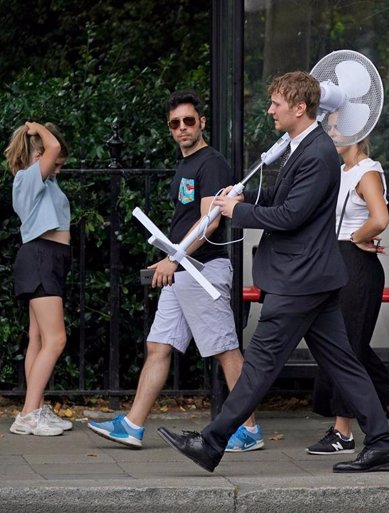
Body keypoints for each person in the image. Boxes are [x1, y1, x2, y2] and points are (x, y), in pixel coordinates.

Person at [156, 71, 389, 473]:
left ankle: (211, 441)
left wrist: (239, 212)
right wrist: (245, 194)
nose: (270, 110)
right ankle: (382, 441)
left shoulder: (318, 152)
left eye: (276, 104)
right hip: (311, 277)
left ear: (300, 108)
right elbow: (280, 198)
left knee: (259, 365)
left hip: (299, 279)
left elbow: (290, 216)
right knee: (343, 363)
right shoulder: (303, 147)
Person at [88, 90, 262, 451]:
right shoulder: (186, 165)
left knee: (225, 349)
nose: (182, 128)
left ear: (201, 121)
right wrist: (170, 257)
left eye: (188, 120)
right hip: (183, 268)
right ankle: (133, 425)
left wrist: (174, 257)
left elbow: (209, 222)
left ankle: (249, 429)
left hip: (202, 269)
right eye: (174, 123)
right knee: (158, 346)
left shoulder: (210, 163)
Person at [307, 125, 389, 455]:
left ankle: (344, 432)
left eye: (337, 127)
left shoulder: (368, 171)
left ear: (357, 130)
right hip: (337, 263)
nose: (330, 133)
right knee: (342, 343)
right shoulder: (339, 170)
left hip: (355, 266)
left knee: (347, 348)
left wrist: (356, 238)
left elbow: (380, 218)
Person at [5, 121, 74, 437]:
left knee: (39, 339)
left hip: (48, 258)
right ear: (39, 155)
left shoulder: (42, 182)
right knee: (56, 339)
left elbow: (55, 151)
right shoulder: (27, 178)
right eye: (54, 164)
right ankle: (28, 415)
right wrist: (35, 127)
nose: (57, 169)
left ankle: (35, 407)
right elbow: (55, 147)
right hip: (41, 258)